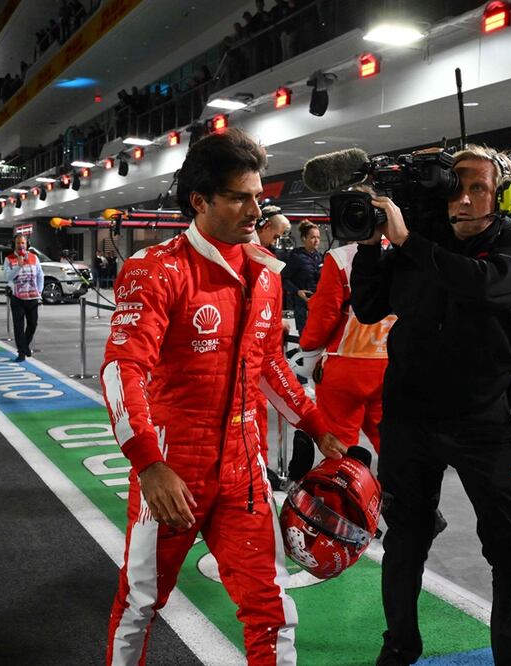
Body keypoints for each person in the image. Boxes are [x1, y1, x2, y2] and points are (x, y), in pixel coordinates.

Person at [101, 128, 347, 665]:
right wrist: (148, 464)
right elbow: (123, 369)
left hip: (244, 470)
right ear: (201, 201)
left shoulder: (265, 272)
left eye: (258, 195)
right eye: (240, 197)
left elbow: (268, 364)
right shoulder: (154, 269)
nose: (255, 208)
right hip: (172, 471)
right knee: (142, 601)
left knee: (272, 610)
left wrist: (313, 421)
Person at [350, 144, 511, 665]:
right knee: (405, 540)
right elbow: (369, 307)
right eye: (454, 185)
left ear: (502, 194)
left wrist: (409, 241)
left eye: (476, 186)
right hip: (410, 417)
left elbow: (482, 287)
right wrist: (371, 248)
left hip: (481, 420)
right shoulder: (424, 239)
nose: (461, 198)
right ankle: (399, 645)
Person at [298, 237, 395, 456]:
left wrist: (307, 346)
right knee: (393, 446)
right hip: (393, 365)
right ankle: (397, 489)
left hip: (346, 365)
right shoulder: (408, 253)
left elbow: (324, 316)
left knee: (339, 447)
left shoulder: (341, 258)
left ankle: (343, 487)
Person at [4, 234, 43, 362]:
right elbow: (8, 277)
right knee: (18, 326)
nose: (20, 245)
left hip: (32, 297)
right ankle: (21, 352)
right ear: (14, 245)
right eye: (18, 243)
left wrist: (39, 291)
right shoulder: (9, 259)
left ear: (27, 244)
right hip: (17, 298)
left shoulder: (34, 258)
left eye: (23, 243)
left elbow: (39, 275)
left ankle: (25, 345)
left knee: (33, 324)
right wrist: (18, 266)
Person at [282, 219, 322, 334]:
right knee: (305, 336)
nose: (316, 241)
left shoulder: (319, 257)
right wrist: (297, 291)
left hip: (318, 304)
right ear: (304, 238)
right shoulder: (295, 257)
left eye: (318, 237)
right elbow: (284, 279)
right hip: (302, 305)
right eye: (313, 237)